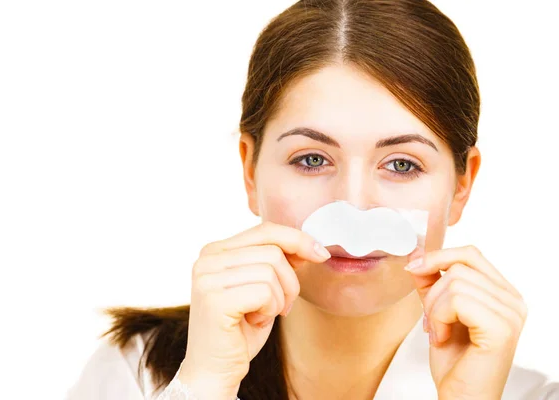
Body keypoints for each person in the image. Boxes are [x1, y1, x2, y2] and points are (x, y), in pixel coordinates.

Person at [67, 0, 559, 398]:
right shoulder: (140, 374)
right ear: (249, 168)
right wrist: (204, 386)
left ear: (461, 185)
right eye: (312, 160)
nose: (354, 207)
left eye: (402, 164)